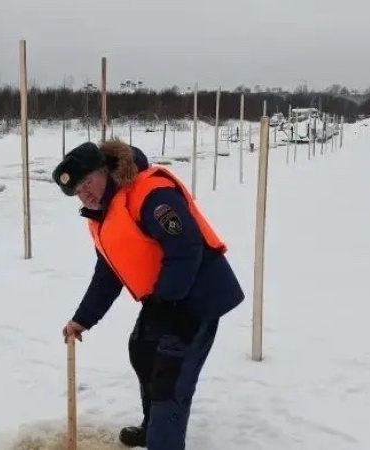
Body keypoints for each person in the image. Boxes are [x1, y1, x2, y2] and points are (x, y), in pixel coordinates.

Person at [52, 139, 245, 449]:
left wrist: (165, 304)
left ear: (106, 170)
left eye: (88, 183)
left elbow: (186, 248)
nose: (85, 195)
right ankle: (152, 426)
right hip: (166, 298)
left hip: (197, 298)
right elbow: (108, 275)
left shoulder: (150, 194)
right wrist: (82, 319)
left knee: (169, 379)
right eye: (77, 192)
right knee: (142, 349)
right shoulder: (104, 215)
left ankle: (162, 440)